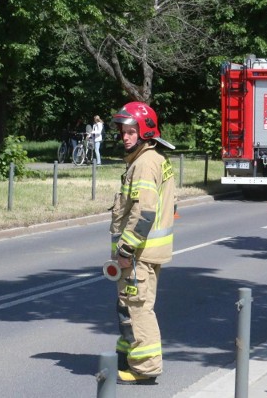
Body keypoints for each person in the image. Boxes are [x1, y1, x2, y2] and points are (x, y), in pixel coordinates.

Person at [109, 102, 176, 385]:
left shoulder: (145, 163)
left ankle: (145, 368)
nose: (125, 137)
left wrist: (125, 250)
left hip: (138, 254)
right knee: (129, 305)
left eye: (131, 132)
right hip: (146, 252)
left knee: (137, 307)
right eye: (123, 132)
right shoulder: (151, 159)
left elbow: (145, 212)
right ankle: (127, 357)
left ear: (145, 132)